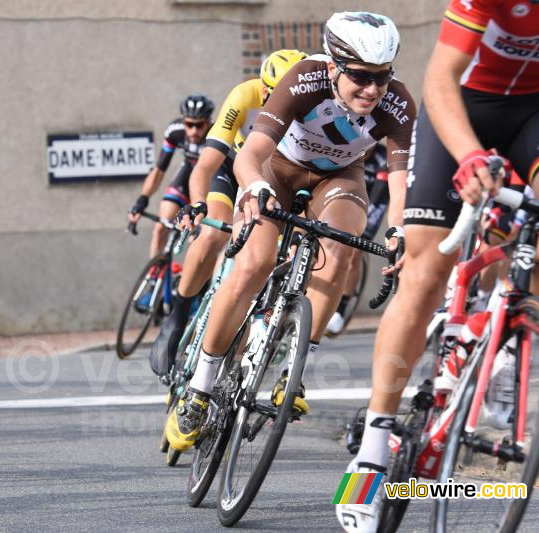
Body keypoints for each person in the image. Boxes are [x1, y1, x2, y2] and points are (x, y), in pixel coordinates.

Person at [338, 1, 539, 530]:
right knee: (424, 273)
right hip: (462, 104)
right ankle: (373, 450)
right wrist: (467, 157)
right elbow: (440, 76)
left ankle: (505, 341)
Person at [165, 12, 416, 454]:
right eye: (359, 76)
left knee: (341, 251)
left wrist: (399, 230)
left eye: (382, 77)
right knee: (255, 263)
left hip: (339, 178)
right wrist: (257, 189)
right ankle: (199, 392)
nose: (373, 89)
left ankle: (293, 373)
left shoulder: (397, 105)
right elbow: (251, 155)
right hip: (275, 171)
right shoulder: (305, 80)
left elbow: (399, 185)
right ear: (334, 65)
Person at [148, 49, 306, 376]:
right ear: (263, 90)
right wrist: (197, 203)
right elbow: (204, 164)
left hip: (276, 181)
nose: (282, 103)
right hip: (233, 170)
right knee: (212, 234)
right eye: (274, 94)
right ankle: (177, 319)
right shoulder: (244, 96)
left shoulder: (311, 108)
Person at [126, 94, 214, 259]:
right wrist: (142, 200)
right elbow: (159, 169)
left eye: (199, 125)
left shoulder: (216, 134)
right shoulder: (175, 131)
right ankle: (154, 278)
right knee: (161, 227)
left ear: (208, 122)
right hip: (187, 172)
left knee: (200, 239)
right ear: (183, 122)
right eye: (189, 124)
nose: (194, 131)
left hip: (210, 180)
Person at [325, 142, 390, 336]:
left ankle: (341, 309)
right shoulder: (348, 148)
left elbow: (380, 193)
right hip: (344, 201)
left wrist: (362, 227)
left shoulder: (381, 158)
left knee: (354, 249)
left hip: (372, 204)